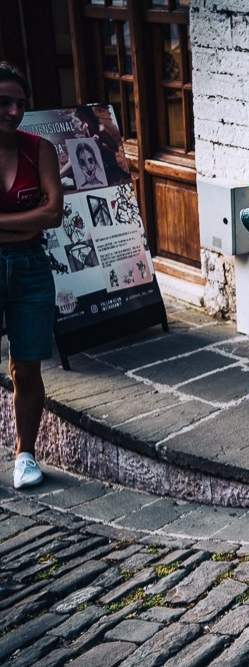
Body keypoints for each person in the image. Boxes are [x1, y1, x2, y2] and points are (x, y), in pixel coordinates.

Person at [0, 62, 63, 490]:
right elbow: (38, 214)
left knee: (27, 366)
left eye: (20, 104)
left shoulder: (38, 150)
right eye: (4, 102)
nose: (14, 111)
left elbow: (54, 213)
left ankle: (25, 455)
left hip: (30, 264)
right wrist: (26, 218)